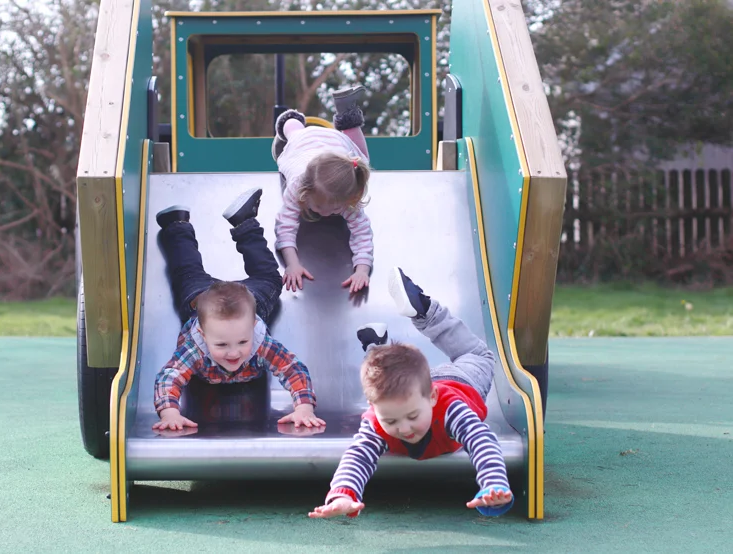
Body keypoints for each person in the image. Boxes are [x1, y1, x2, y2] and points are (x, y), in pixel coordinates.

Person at [309, 267, 514, 518]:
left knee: (478, 355)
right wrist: (343, 494)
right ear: (374, 409)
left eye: (412, 417)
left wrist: (493, 483)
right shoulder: (380, 416)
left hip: (462, 380)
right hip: (413, 389)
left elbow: (480, 439)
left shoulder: (451, 410)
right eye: (392, 421)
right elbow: (358, 455)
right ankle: (378, 347)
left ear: (432, 398)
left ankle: (424, 310)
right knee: (382, 377)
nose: (404, 429)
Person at [152, 186, 325, 431]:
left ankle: (242, 222)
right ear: (202, 334)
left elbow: (293, 369)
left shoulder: (258, 339)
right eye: (221, 344)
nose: (234, 353)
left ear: (253, 326)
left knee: (269, 279)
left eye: (242, 342)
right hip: (201, 300)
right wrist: (169, 413)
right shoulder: (195, 347)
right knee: (186, 273)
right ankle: (177, 225)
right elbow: (169, 377)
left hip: (248, 299)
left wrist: (304, 407)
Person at [272, 85, 374, 294]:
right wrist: (292, 263)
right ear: (306, 192)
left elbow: (363, 234)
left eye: (334, 209)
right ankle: (289, 122)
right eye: (318, 206)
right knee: (295, 133)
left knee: (361, 161)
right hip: (302, 144)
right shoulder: (297, 186)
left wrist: (362, 269)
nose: (325, 213)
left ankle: (348, 118)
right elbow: (285, 226)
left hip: (338, 143)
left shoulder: (348, 196)